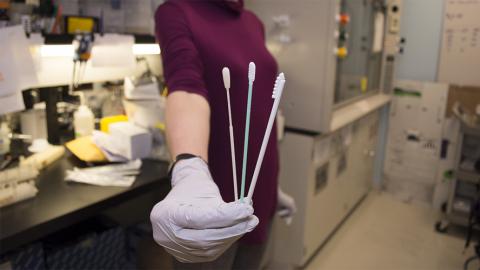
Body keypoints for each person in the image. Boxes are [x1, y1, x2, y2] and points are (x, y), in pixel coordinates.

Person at [149, 0, 296, 269]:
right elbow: (186, 87)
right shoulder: (178, 11)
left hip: (259, 194)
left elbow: (256, 103)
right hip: (213, 209)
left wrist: (271, 185)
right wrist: (189, 168)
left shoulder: (253, 22)